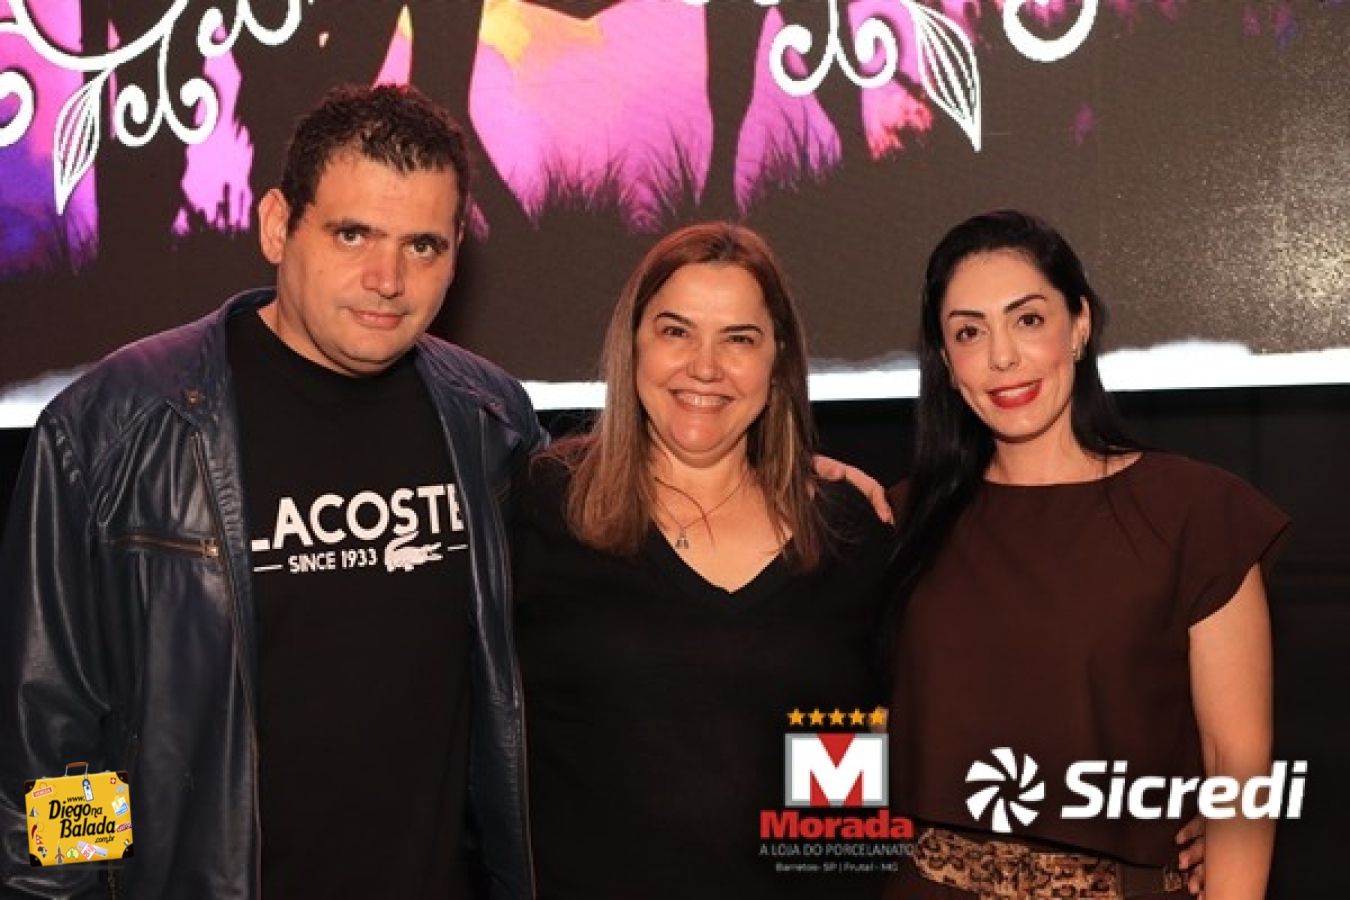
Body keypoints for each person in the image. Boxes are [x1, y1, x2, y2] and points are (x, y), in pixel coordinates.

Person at [0, 85, 543, 899]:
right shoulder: (112, 430)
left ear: (456, 251)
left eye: (423, 246)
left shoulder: (492, 423)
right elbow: (53, 739)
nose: (387, 278)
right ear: (278, 225)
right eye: (352, 234)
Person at [884, 210, 1288, 899]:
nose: (1002, 357)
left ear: (1078, 325)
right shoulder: (900, 519)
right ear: (947, 363)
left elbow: (1238, 765)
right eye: (969, 332)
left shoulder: (1194, 514)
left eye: (1028, 320)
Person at [513, 222, 895, 899]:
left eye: (739, 339)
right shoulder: (543, 506)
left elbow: (844, 799)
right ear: (634, 343)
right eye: (676, 331)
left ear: (778, 359)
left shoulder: (846, 534)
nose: (705, 366)